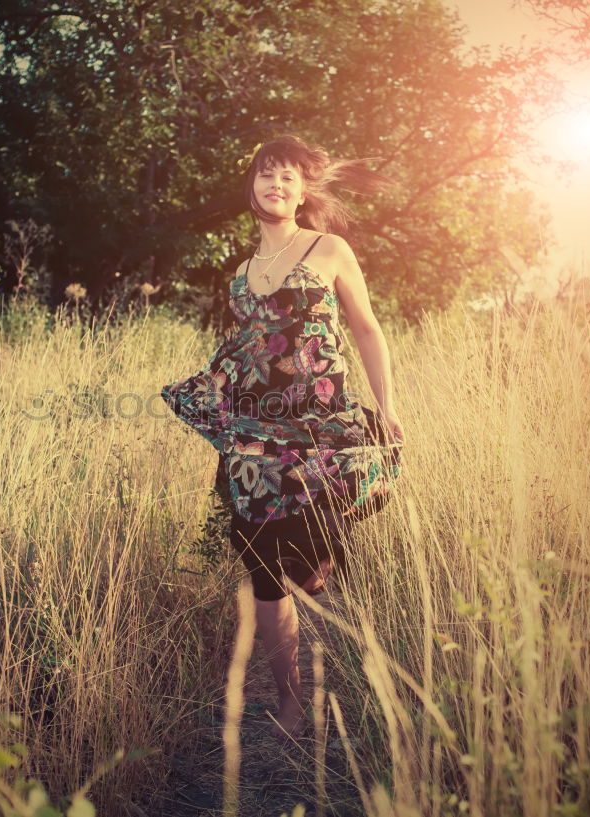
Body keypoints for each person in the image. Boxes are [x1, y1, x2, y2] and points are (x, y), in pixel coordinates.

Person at [160, 134, 405, 741]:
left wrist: (387, 406)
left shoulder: (330, 249)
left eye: (289, 176)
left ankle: (321, 565)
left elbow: (367, 330)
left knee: (312, 563)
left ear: (302, 191)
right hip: (256, 437)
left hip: (323, 426)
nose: (277, 184)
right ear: (252, 188)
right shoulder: (242, 273)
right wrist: (218, 403)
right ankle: (292, 699)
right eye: (267, 174)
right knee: (263, 567)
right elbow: (247, 353)